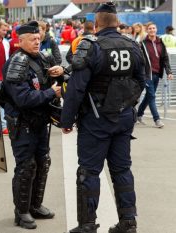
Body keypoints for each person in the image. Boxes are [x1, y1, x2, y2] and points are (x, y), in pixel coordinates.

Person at [61, 3, 146, 233]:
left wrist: (66, 121)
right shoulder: (133, 45)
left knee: (88, 172)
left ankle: (87, 225)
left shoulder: (91, 47)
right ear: (117, 23)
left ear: (96, 24)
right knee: (122, 170)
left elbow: (76, 89)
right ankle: (128, 222)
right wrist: (124, 102)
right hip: (123, 117)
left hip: (96, 119)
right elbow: (142, 81)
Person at [1, 21, 63, 229]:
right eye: (32, 39)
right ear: (21, 41)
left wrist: (60, 73)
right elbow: (23, 98)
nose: (37, 42)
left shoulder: (43, 58)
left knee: (43, 163)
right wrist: (50, 93)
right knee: (26, 167)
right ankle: (22, 212)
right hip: (23, 123)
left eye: (39, 38)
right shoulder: (16, 62)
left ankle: (35, 205)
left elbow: (57, 80)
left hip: (41, 122)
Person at [137, 22, 173, 128]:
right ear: (147, 30)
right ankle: (157, 119)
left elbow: (165, 58)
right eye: (150, 28)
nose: (152, 30)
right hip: (147, 75)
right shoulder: (142, 43)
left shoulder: (160, 42)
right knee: (152, 96)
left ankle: (138, 114)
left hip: (157, 73)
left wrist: (169, 72)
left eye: (153, 28)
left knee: (149, 96)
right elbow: (140, 60)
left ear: (156, 29)